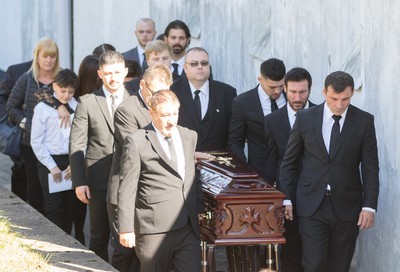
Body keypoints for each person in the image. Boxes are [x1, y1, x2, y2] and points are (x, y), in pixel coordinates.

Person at [279, 71, 379, 272]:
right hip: (311, 204)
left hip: (347, 205)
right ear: (324, 92)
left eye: (345, 99)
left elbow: (370, 167)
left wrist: (369, 206)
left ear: (352, 94)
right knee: (313, 263)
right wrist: (287, 198)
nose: (340, 104)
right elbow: (289, 162)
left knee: (339, 265)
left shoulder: (364, 121)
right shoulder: (305, 118)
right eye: (334, 98)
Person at [118, 90, 203, 272]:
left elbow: (192, 177)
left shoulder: (189, 136)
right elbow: (127, 188)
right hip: (153, 229)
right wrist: (126, 228)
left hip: (187, 227)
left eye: (174, 114)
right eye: (165, 115)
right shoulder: (137, 141)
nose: (171, 121)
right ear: (152, 113)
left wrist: (200, 209)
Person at [107, 63, 173, 271]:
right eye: (156, 92)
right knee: (125, 252)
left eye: (165, 92)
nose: (160, 98)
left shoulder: (167, 107)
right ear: (142, 85)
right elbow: (137, 149)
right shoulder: (127, 110)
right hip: (128, 192)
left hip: (152, 193)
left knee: (149, 254)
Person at [69, 50, 131, 262]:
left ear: (124, 72)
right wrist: (79, 181)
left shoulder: (136, 100)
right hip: (98, 181)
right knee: (99, 237)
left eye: (116, 72)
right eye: (108, 73)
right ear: (100, 74)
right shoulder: (87, 102)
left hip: (131, 179)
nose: (113, 78)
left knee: (130, 236)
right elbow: (76, 144)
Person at [6, 37, 70, 214]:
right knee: (35, 187)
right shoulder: (27, 80)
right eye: (45, 56)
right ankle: (39, 223)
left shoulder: (63, 77)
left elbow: (74, 101)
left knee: (60, 189)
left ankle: (60, 224)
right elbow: (11, 107)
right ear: (37, 57)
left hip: (60, 146)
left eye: (53, 57)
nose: (49, 60)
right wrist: (27, 122)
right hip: (32, 145)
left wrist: (63, 105)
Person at [264, 67, 316, 271]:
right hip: (289, 197)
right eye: (292, 92)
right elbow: (271, 162)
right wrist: (276, 198)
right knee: (291, 250)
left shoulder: (322, 115)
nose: (297, 97)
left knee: (315, 253)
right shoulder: (273, 121)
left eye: (302, 92)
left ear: (310, 90)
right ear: (284, 88)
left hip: (317, 196)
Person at [30, 69, 79, 234]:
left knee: (70, 206)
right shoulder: (43, 108)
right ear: (55, 86)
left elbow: (81, 137)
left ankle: (68, 240)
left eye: (71, 92)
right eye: (63, 91)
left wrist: (75, 163)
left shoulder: (76, 105)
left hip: (71, 161)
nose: (66, 95)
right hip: (50, 161)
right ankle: (55, 241)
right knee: (54, 207)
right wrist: (52, 166)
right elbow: (36, 141)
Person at [228, 58, 286, 179]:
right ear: (260, 79)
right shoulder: (242, 103)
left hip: (291, 174)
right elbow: (235, 142)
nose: (277, 91)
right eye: (272, 87)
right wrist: (244, 170)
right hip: (259, 174)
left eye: (281, 86)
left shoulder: (293, 97)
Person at [171, 47, 237, 151]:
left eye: (204, 63)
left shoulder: (227, 93)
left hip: (218, 161)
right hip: (182, 159)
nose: (200, 67)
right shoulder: (171, 91)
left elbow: (234, 134)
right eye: (194, 64)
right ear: (185, 67)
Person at [0, 60, 32, 201]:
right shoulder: (15, 71)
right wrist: (16, 119)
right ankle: (19, 205)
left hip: (44, 135)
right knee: (20, 168)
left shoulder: (58, 73)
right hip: (19, 131)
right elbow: (3, 98)